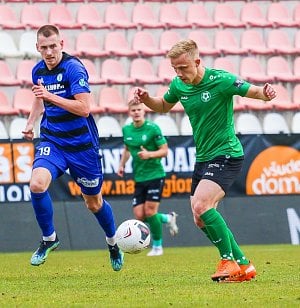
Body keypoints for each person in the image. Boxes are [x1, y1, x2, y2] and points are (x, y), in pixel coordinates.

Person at [134, 39, 276, 281]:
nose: (179, 73)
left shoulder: (221, 80)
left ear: (197, 61)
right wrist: (147, 99)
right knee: (200, 219)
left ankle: (227, 261)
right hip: (203, 158)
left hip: (227, 154)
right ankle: (244, 265)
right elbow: (163, 106)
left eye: (183, 68)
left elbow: (252, 90)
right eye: (175, 69)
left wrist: (265, 93)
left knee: (202, 205)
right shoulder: (179, 84)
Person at [22, 24, 124, 271]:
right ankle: (49, 239)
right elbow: (39, 97)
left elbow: (84, 108)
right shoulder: (38, 70)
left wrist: (50, 97)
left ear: (61, 45)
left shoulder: (73, 68)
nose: (49, 52)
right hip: (53, 140)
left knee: (94, 203)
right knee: (36, 184)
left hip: (82, 146)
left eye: (53, 46)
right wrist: (30, 122)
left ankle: (112, 243)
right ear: (37, 48)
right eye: (44, 47)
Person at [117, 99, 178, 256]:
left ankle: (157, 247)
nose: (136, 112)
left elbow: (164, 151)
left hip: (155, 174)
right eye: (133, 110)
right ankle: (167, 218)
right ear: (129, 112)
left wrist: (149, 154)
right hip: (139, 176)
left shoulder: (152, 128)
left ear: (144, 111)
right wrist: (121, 165)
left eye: (139, 109)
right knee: (140, 215)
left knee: (150, 212)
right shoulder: (127, 130)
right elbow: (127, 149)